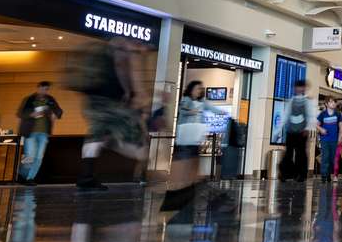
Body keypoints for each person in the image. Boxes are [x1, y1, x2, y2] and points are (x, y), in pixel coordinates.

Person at [73, 38, 148, 191]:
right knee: (136, 142)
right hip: (110, 102)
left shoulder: (103, 52)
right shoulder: (122, 50)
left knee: (95, 135)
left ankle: (86, 176)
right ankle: (110, 142)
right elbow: (124, 70)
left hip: (94, 102)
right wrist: (131, 92)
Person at [161, 80, 228, 211]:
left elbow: (212, 108)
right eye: (197, 89)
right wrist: (191, 111)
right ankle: (179, 192)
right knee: (183, 164)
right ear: (191, 90)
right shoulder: (185, 100)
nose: (199, 91)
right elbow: (183, 109)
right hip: (186, 138)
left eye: (200, 89)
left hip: (196, 138)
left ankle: (190, 190)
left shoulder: (203, 102)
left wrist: (222, 113)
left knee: (193, 164)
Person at [16, 81, 63, 186]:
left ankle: (30, 178)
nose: (44, 91)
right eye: (42, 89)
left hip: (44, 133)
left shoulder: (50, 100)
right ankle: (21, 175)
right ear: (38, 88)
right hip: (30, 131)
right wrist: (32, 114)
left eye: (46, 89)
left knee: (39, 157)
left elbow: (59, 111)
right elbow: (20, 113)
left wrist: (56, 115)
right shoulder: (29, 99)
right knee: (30, 155)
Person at [278, 79, 312, 182]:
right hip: (291, 131)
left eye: (301, 87)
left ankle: (301, 174)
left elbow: (310, 116)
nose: (299, 89)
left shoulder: (307, 101)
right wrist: (279, 129)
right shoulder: (291, 100)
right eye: (297, 87)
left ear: (304, 88)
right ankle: (285, 174)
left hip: (302, 132)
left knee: (300, 154)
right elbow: (285, 115)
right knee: (288, 153)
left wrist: (307, 128)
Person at [316, 97, 342, 182]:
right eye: (331, 102)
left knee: (332, 158)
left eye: (334, 101)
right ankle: (323, 175)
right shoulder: (322, 114)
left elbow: (341, 126)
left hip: (334, 139)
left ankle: (328, 174)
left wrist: (341, 137)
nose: (333, 103)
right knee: (325, 157)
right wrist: (321, 129)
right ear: (326, 104)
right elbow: (317, 125)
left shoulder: (338, 114)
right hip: (325, 139)